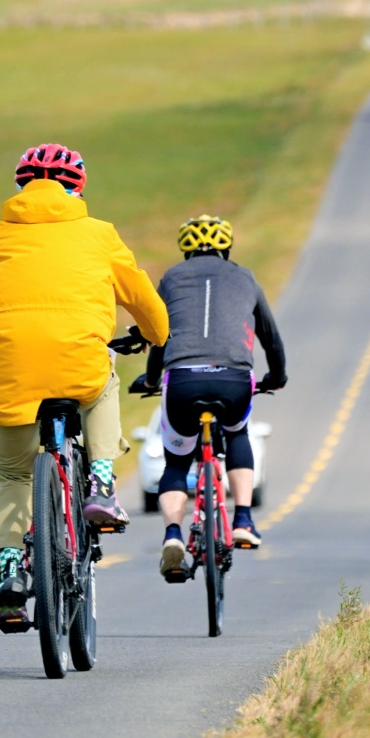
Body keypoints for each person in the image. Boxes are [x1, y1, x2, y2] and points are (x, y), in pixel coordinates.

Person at [0, 143, 168, 631]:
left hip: (10, 368)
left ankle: (11, 567)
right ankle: (102, 483)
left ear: (20, 186)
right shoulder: (100, 234)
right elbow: (141, 295)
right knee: (103, 378)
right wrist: (156, 335)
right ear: (78, 188)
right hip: (77, 361)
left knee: (10, 473)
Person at [130, 214, 287, 569]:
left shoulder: (171, 278)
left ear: (186, 251)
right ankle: (243, 519)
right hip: (234, 378)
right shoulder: (246, 277)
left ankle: (173, 534)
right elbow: (271, 337)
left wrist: (152, 380)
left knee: (176, 462)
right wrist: (277, 376)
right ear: (227, 249)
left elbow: (159, 334)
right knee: (237, 433)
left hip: (182, 380)